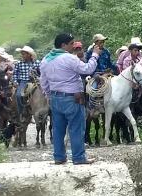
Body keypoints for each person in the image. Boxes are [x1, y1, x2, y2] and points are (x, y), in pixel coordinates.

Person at [39, 33, 99, 164]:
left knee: (58, 129)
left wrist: (49, 95)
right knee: (76, 127)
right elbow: (87, 69)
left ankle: (59, 157)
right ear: (63, 45)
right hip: (72, 97)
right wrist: (94, 55)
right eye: (71, 44)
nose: (73, 46)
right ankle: (78, 157)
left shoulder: (45, 60)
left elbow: (43, 82)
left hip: (55, 97)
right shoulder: (68, 58)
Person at [13, 46, 40, 114]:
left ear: (29, 54)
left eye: (24, 54)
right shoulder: (19, 63)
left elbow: (41, 73)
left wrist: (37, 76)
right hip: (24, 81)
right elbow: (15, 74)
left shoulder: (37, 62)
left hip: (35, 81)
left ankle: (45, 110)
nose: (22, 56)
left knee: (45, 94)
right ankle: (21, 112)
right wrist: (15, 82)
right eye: (22, 54)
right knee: (19, 95)